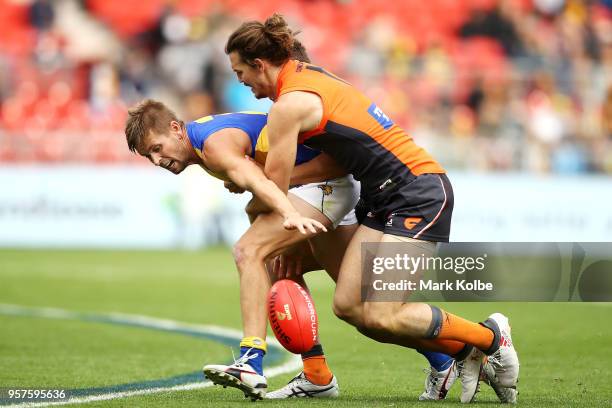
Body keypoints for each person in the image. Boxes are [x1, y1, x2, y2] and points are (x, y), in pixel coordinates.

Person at [223, 13, 519, 403]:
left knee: (382, 312)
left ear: (260, 64)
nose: (240, 81)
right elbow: (336, 161)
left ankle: (491, 337)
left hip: (417, 190)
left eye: (241, 71)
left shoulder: (290, 105)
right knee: (349, 307)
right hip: (382, 197)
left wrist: (247, 184)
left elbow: (274, 188)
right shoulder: (310, 76)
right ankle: (464, 353)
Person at [124, 100, 460, 401]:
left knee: (248, 252)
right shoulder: (201, 143)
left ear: (175, 129)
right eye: (148, 156)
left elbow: (259, 182)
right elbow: (258, 186)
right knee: (356, 306)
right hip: (320, 188)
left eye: (156, 148)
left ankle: (250, 360)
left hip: (324, 187)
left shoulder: (213, 143)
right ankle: (441, 357)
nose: (156, 160)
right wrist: (267, 214)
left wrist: (287, 215)